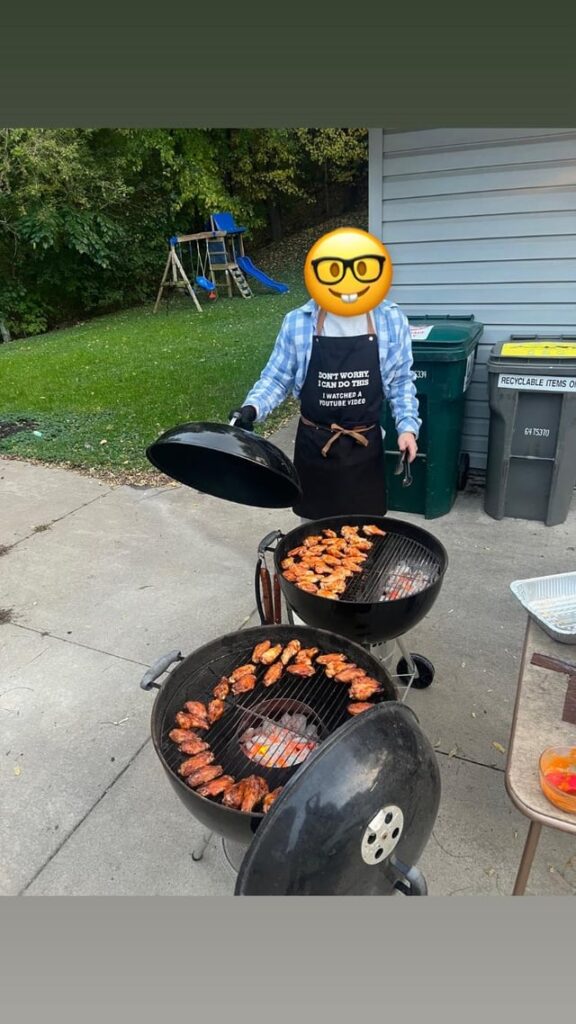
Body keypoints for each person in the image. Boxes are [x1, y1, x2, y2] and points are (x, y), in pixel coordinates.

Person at [230, 227, 420, 521]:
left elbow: (401, 381)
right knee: (313, 540)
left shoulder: (391, 319)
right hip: (314, 449)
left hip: (364, 447)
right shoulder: (298, 323)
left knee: (364, 538)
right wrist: (251, 409)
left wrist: (407, 427)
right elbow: (276, 378)